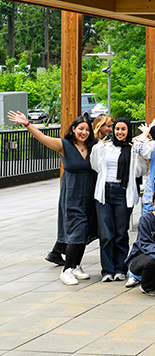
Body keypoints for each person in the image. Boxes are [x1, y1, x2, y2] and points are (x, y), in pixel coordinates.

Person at [7, 111, 98, 285]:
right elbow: (42, 137)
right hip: (72, 196)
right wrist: (27, 124)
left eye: (87, 130)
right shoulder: (64, 145)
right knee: (76, 232)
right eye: (80, 129)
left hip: (89, 196)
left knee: (85, 231)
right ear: (73, 129)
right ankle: (67, 270)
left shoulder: (93, 146)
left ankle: (77, 265)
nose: (84, 132)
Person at [90, 117, 142, 282]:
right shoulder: (106, 147)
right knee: (106, 233)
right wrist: (99, 147)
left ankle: (120, 269)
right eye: (117, 129)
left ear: (128, 131)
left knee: (121, 233)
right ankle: (107, 270)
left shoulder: (132, 149)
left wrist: (138, 153)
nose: (120, 132)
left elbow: (141, 170)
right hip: (105, 192)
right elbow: (95, 165)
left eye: (123, 129)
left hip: (123, 192)